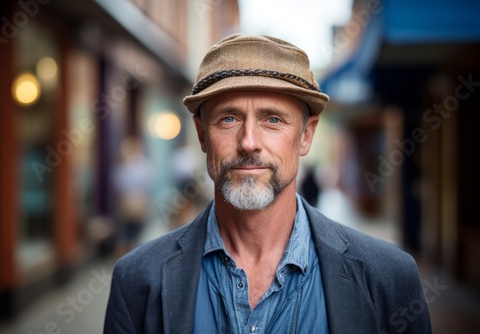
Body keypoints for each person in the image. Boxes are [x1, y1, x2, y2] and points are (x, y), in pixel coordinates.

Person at [104, 34, 431, 333]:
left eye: (272, 119)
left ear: (306, 135)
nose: (248, 142)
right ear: (203, 135)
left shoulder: (388, 277)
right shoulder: (137, 279)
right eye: (228, 118)